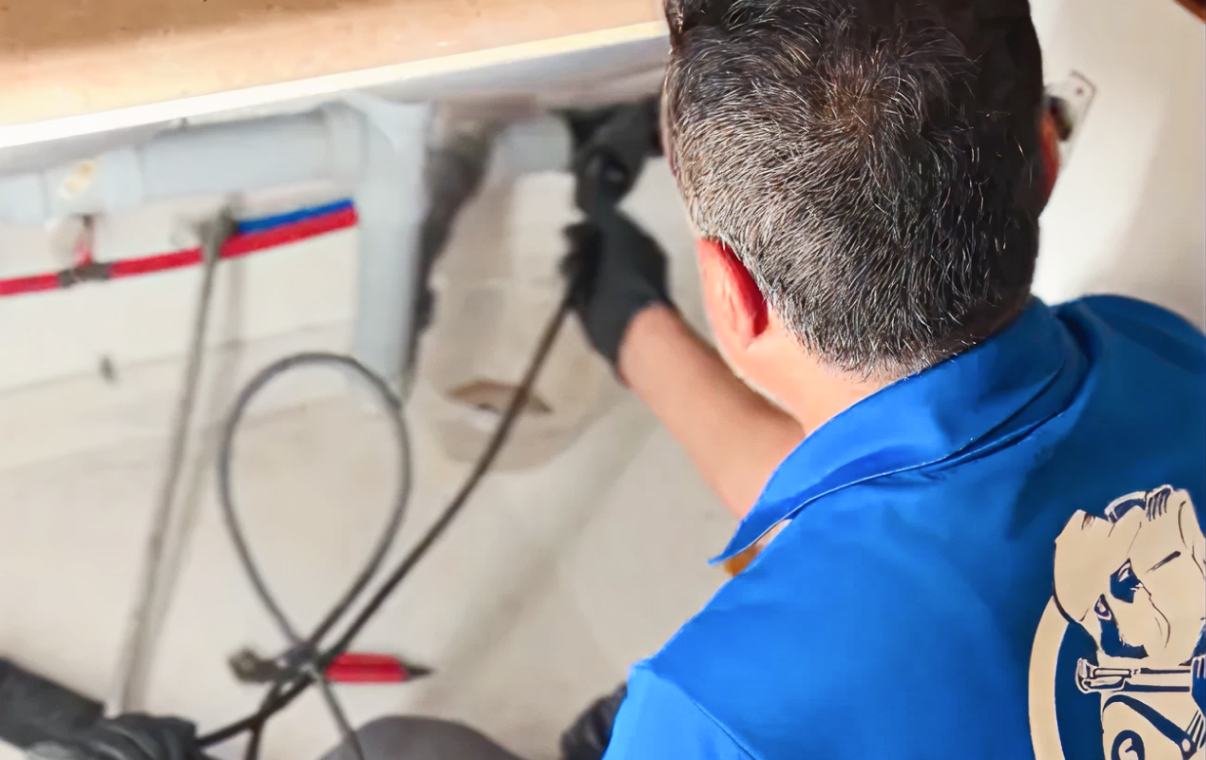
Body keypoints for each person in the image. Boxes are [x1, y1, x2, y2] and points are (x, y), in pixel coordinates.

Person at [32, 0, 1206, 757]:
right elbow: (898, 503)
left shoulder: (719, 716)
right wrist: (636, 331)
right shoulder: (1158, 364)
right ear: (1044, 158)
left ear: (732, 293)